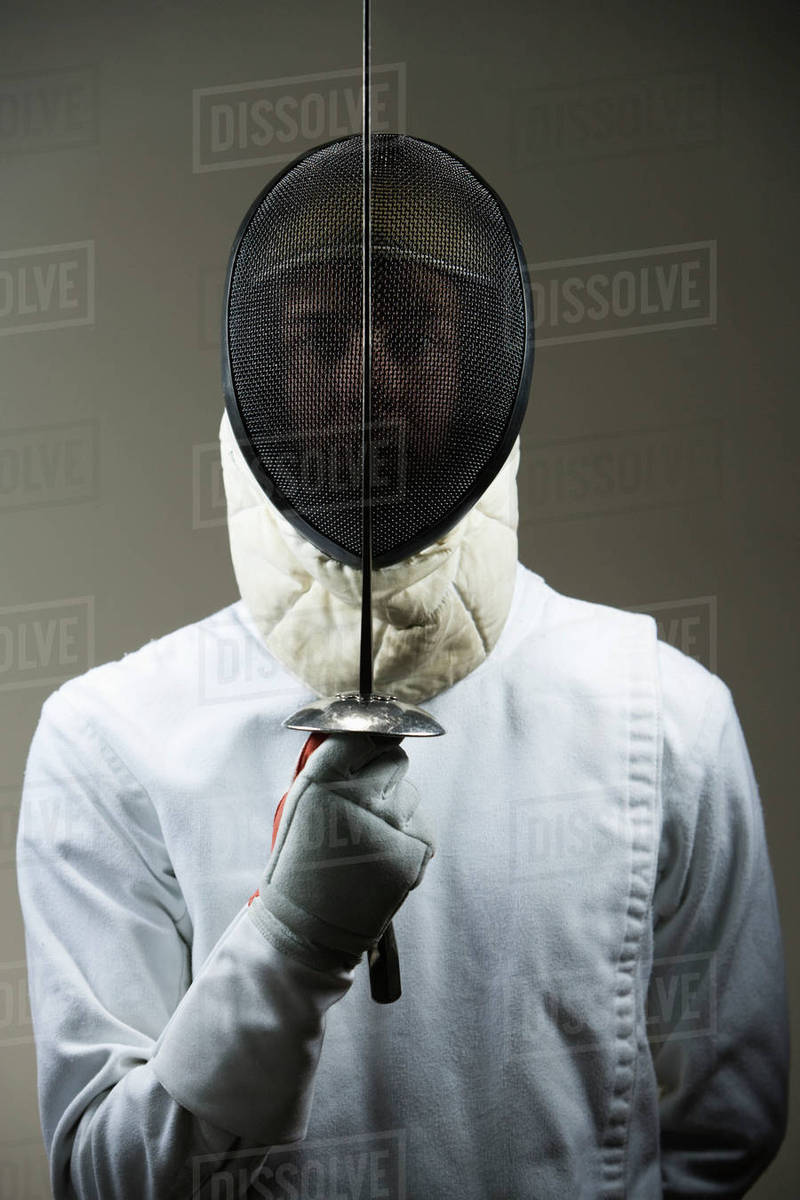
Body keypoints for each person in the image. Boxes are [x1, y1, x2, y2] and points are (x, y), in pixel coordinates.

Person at [17, 139, 789, 1199]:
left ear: (483, 366)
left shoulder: (663, 716)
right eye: (321, 334)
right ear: (260, 374)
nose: (368, 372)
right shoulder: (108, 741)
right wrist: (286, 950)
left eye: (416, 333)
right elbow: (104, 1173)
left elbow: (725, 1128)